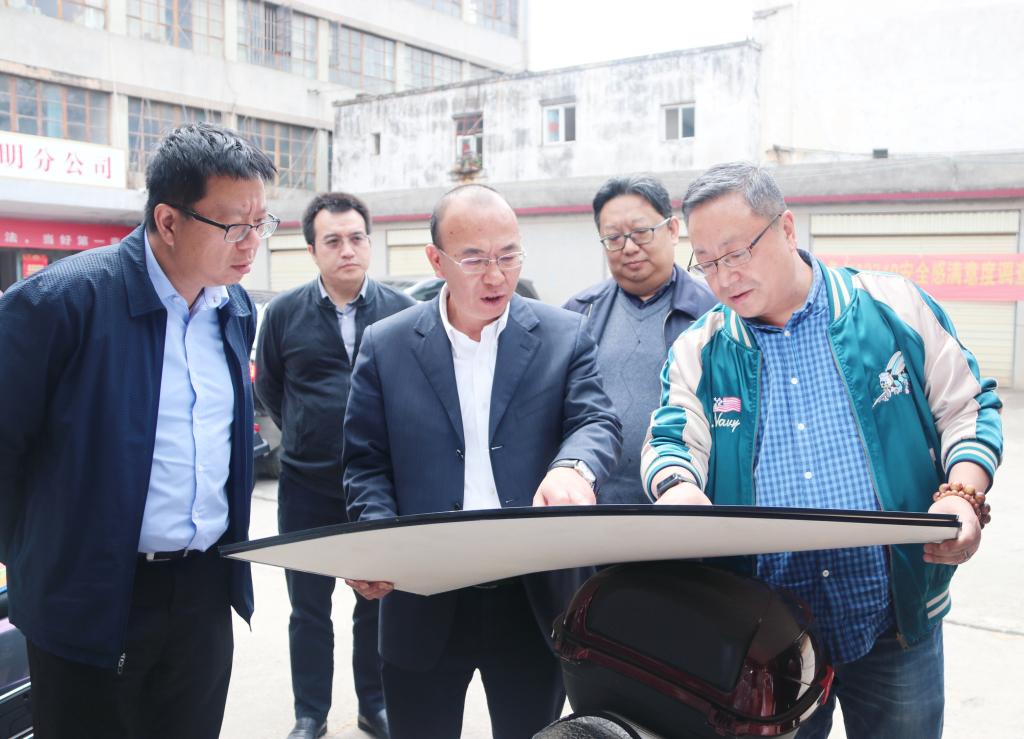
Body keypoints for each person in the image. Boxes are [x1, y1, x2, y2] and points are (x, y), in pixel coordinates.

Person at [641, 162, 1002, 739]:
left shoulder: (891, 307)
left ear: (786, 229)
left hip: (893, 618)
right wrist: (679, 490)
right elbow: (669, 442)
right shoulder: (700, 349)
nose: (724, 278)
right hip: (765, 638)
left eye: (736, 253)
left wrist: (963, 494)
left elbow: (968, 406)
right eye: (705, 262)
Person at [0, 122, 278, 738]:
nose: (252, 243)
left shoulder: (233, 307)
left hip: (203, 590)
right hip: (91, 594)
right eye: (235, 226)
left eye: (262, 223)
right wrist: (40, 557)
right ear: (168, 221)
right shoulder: (59, 303)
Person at [341, 184, 622, 739]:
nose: (496, 276)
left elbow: (596, 422)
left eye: (509, 255)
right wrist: (377, 538)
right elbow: (366, 462)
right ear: (436, 260)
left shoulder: (562, 334)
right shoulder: (387, 344)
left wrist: (573, 467)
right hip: (422, 589)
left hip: (532, 594)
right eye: (474, 259)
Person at [255, 192, 414, 739]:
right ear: (312, 250)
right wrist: (307, 433)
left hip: (377, 484)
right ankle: (310, 713)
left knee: (376, 602)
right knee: (308, 607)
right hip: (306, 485)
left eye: (356, 238)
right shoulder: (284, 313)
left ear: (369, 242)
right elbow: (271, 388)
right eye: (333, 241)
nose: (347, 250)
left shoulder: (401, 310)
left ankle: (375, 705)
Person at [564, 175, 716, 503]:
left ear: (672, 230)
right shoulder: (579, 315)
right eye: (614, 238)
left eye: (641, 232)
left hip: (685, 503)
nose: (629, 247)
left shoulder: (714, 313)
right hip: (594, 505)